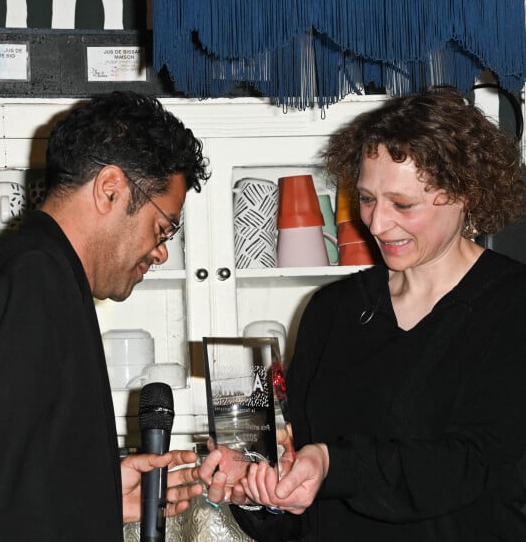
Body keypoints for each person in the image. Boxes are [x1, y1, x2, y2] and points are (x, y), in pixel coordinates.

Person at [204, 87, 526, 541]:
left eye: (403, 204)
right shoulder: (331, 310)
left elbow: (466, 467)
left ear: (466, 193)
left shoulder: (512, 307)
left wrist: (333, 464)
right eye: (368, 199)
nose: (375, 223)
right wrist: (260, 486)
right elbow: (299, 485)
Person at [0, 91, 225, 541]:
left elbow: (8, 481)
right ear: (110, 189)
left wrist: (99, 495)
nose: (160, 251)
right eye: (162, 227)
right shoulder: (36, 281)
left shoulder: (31, 273)